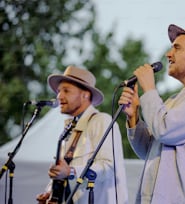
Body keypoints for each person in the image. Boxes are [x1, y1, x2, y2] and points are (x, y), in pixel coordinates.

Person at [118, 24, 185, 204]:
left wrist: (150, 89)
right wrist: (134, 116)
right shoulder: (174, 100)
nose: (168, 54)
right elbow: (148, 150)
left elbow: (165, 130)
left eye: (177, 47)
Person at [36, 66, 128, 204]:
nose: (59, 96)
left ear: (85, 95)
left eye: (66, 90)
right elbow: (64, 168)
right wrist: (50, 192)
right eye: (59, 91)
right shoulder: (69, 127)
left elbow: (108, 167)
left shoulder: (102, 120)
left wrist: (71, 172)